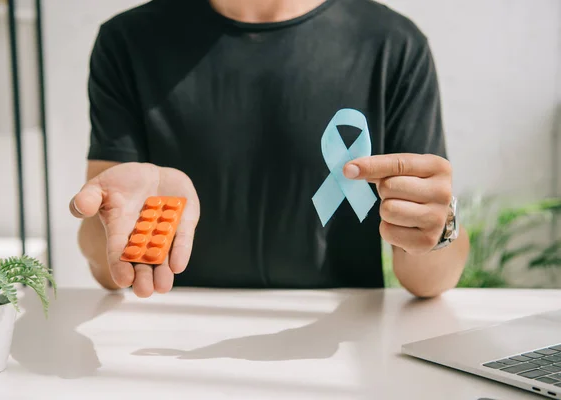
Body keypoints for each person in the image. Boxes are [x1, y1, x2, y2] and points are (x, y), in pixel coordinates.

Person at [70, 0, 470, 299]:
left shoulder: (392, 45)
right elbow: (106, 262)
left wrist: (439, 227)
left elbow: (428, 280)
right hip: (176, 331)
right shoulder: (128, 42)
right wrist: (111, 228)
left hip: (339, 341)